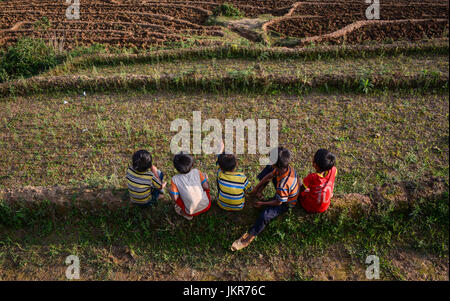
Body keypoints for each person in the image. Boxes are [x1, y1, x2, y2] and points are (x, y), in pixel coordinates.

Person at [231, 147, 299, 251]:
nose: (270, 162)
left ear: (277, 164)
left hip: (286, 202)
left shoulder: (283, 184)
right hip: (283, 193)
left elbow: (278, 202)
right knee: (269, 168)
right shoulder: (283, 169)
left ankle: (250, 236)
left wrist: (263, 204)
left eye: (271, 161)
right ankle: (258, 193)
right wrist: (257, 189)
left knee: (265, 215)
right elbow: (269, 175)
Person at [169, 152, 211, 220]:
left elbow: (175, 198)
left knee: (176, 205)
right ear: (192, 165)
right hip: (207, 205)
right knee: (204, 175)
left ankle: (185, 215)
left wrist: (170, 191)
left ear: (176, 168)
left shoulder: (174, 179)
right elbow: (206, 187)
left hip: (190, 212)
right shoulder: (197, 172)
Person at [298, 149, 337, 213]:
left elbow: (301, 190)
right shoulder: (334, 170)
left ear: (315, 165)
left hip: (310, 206)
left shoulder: (312, 177)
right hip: (325, 206)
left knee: (298, 182)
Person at [216, 142, 251, 211]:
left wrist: (220, 150)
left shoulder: (219, 174)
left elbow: (218, 163)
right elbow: (250, 190)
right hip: (239, 207)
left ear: (221, 167)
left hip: (221, 205)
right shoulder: (242, 177)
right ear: (235, 165)